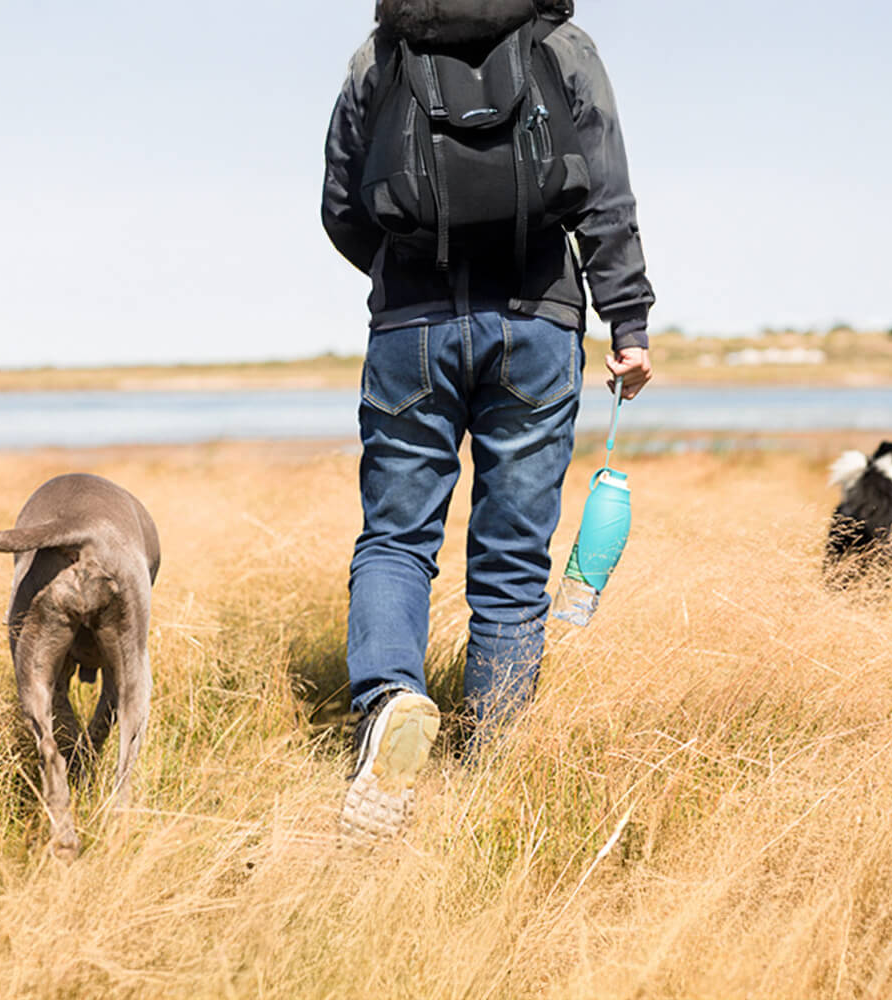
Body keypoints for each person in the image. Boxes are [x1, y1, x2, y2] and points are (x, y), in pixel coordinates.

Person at [322, 0, 654, 840]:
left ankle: (390, 702)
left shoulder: (381, 51)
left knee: (396, 540)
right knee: (512, 558)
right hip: (537, 325)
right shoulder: (563, 45)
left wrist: (407, 267)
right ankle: (493, 763)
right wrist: (628, 322)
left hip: (410, 327)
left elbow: (341, 204)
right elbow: (604, 193)